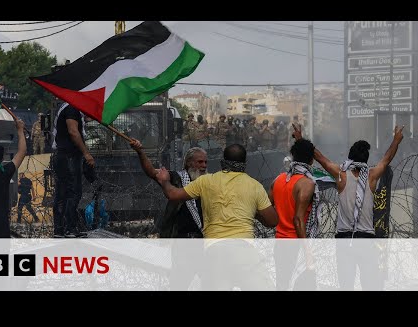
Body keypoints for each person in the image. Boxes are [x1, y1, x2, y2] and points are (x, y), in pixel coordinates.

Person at [294, 123, 404, 290]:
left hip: (345, 241)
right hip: (366, 241)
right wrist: (396, 139)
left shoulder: (341, 174)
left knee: (346, 285)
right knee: (370, 285)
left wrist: (301, 140)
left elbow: (320, 158)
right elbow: (387, 158)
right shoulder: (372, 176)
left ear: (350, 158)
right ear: (366, 159)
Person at [155, 144, 278, 290]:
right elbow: (272, 221)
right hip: (244, 252)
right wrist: (252, 211)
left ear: (223, 161)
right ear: (244, 163)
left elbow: (173, 194)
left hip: (214, 252)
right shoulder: (254, 186)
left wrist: (164, 181)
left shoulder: (206, 181)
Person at [130, 139, 206, 290]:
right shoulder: (176, 178)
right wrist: (140, 151)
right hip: (183, 241)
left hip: (204, 241)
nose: (203, 166)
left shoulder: (207, 182)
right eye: (200, 162)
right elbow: (152, 172)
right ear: (190, 163)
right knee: (180, 282)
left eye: (205, 162)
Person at [269, 137, 318, 290]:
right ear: (311, 160)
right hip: (296, 244)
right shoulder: (307, 183)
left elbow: (267, 208)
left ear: (293, 156)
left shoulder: (278, 179)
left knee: (282, 285)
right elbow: (298, 219)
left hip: (280, 243)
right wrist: (308, 252)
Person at [52, 102, 95, 237]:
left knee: (62, 194)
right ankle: (69, 228)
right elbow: (73, 132)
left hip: (63, 156)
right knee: (73, 192)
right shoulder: (72, 108)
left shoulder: (68, 107)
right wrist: (86, 153)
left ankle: (60, 229)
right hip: (68, 157)